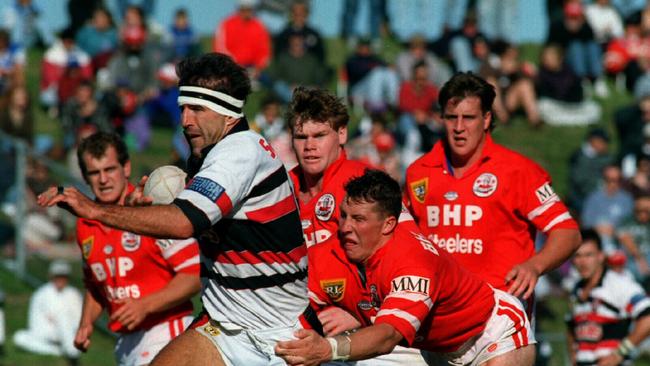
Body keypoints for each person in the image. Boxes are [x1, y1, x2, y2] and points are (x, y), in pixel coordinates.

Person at [38, 52, 308, 366]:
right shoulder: (207, 159)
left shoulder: (241, 152)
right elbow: (199, 233)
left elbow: (183, 223)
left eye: (197, 109)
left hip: (277, 332)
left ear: (228, 113)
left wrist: (96, 211)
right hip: (225, 325)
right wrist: (141, 215)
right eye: (183, 108)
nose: (185, 121)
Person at [275, 169, 536, 365]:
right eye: (343, 215)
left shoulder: (412, 262)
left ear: (389, 224)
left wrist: (326, 349)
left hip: (490, 332)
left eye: (358, 219)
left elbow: (387, 336)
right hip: (436, 350)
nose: (345, 227)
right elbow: (291, 310)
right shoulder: (327, 253)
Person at [404, 72, 581, 312]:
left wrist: (535, 266)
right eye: (451, 118)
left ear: (486, 119)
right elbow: (403, 237)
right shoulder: (418, 171)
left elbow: (567, 232)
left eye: (468, 118)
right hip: (436, 312)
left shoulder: (518, 170)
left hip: (500, 310)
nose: (458, 127)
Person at [287, 87, 427, 365]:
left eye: (319, 136)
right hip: (304, 325)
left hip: (379, 332)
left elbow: (411, 257)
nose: (309, 146)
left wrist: (359, 313)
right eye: (301, 137)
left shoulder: (364, 185)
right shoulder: (280, 189)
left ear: (341, 134)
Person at [70, 132, 201, 365]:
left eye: (109, 169)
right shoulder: (84, 225)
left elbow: (194, 276)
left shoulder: (149, 211)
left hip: (166, 332)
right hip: (125, 342)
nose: (103, 179)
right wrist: (86, 322)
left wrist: (145, 305)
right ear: (85, 177)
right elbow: (95, 283)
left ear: (126, 168)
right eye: (94, 172)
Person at [567, 228, 650, 366]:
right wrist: (573, 357)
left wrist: (619, 353)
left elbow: (647, 317)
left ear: (601, 256)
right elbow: (571, 328)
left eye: (588, 255)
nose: (583, 262)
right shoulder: (576, 289)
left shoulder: (618, 284)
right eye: (577, 256)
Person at [13, 260, 82, 365]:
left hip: (69, 333)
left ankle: (72, 354)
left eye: (63, 276)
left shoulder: (73, 293)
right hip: (46, 334)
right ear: (52, 276)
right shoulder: (41, 293)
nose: (60, 279)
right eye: (58, 276)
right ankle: (60, 351)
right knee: (19, 337)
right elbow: (35, 322)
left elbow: (79, 319)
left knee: (64, 318)